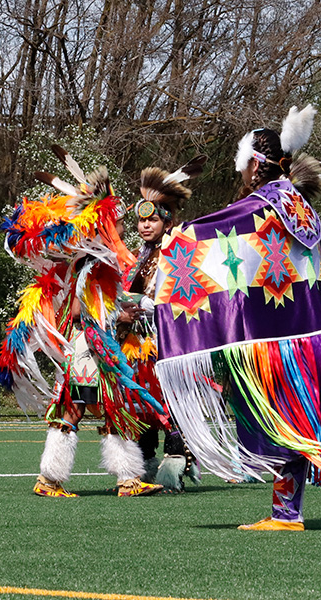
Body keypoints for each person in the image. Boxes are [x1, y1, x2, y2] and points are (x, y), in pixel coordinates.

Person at [153, 105, 321, 530]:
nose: (240, 174)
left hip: (277, 341)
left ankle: (287, 515)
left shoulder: (267, 201)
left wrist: (179, 237)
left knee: (281, 420)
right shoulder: (295, 203)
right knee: (284, 418)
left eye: (243, 166)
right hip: (297, 335)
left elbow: (222, 227)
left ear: (256, 165)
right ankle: (285, 512)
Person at [0, 147, 166, 498]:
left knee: (75, 411)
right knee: (107, 409)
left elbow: (101, 301)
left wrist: (132, 306)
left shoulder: (89, 261)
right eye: (118, 222)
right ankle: (126, 479)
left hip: (85, 349)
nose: (122, 228)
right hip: (91, 349)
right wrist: (119, 315)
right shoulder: (95, 263)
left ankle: (54, 479)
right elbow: (80, 310)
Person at [120, 156, 207, 491]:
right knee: (141, 406)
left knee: (172, 405)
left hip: (170, 343)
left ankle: (175, 465)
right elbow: (127, 291)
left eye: (153, 220)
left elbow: (189, 293)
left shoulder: (178, 251)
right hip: (138, 346)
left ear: (167, 221)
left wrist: (156, 306)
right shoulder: (139, 255)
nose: (145, 226)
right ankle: (145, 465)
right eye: (143, 221)